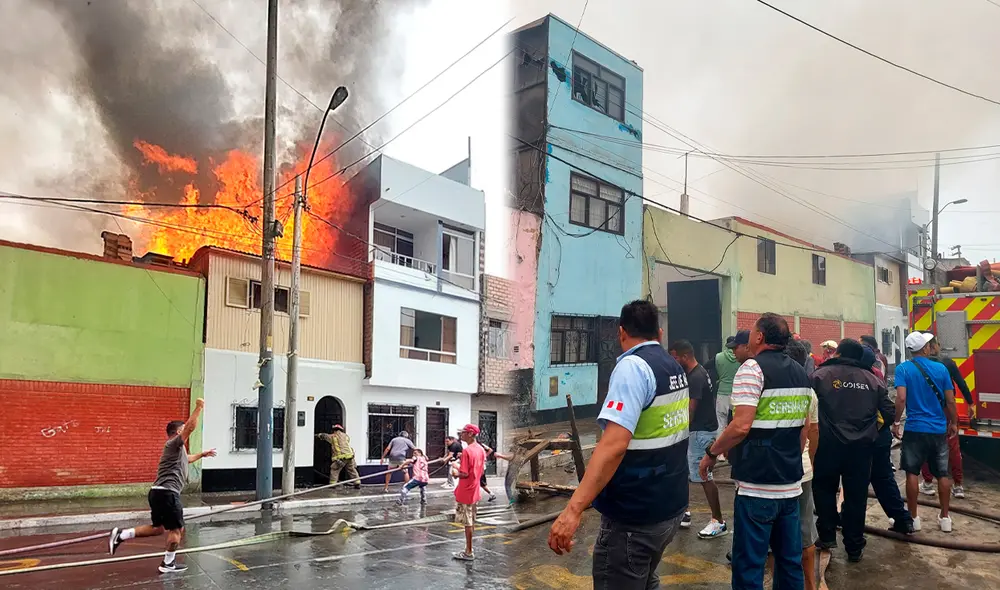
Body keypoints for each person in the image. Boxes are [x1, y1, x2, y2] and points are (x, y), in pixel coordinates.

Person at [549, 300, 689, 589]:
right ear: (659, 333)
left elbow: (614, 446)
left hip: (635, 516)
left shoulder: (632, 369)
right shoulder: (673, 366)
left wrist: (573, 510)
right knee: (645, 578)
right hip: (668, 507)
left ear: (622, 332)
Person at [699, 313, 810, 590]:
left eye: (751, 330)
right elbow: (804, 429)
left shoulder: (752, 368)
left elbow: (740, 426)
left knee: (749, 566)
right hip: (790, 486)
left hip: (757, 487)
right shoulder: (800, 372)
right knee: (789, 563)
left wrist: (711, 453)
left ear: (759, 337)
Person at [109, 399, 216, 573]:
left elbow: (187, 459)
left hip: (159, 492)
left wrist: (202, 454)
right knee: (177, 529)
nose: (185, 432)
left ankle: (121, 535)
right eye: (183, 430)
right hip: (168, 493)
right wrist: (199, 407)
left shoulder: (177, 450)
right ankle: (168, 564)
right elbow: (190, 427)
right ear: (178, 431)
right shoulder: (174, 443)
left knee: (158, 528)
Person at [811, 339, 894, 563]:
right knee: (856, 496)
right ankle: (854, 546)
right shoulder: (873, 379)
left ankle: (827, 536)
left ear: (838, 353)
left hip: (826, 446)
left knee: (824, 490)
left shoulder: (819, 376)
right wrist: (871, 429)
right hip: (861, 449)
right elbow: (888, 412)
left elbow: (808, 409)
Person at [892, 332, 958, 533]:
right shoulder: (941, 368)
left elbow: (901, 398)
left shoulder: (903, 369)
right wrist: (954, 423)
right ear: (926, 348)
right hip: (938, 429)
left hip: (914, 428)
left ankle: (914, 518)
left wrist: (896, 422)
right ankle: (945, 518)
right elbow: (950, 400)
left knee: (912, 472)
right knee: (943, 473)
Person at [669, 339, 726, 539]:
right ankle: (684, 513)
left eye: (676, 358)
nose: (674, 362)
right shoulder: (698, 371)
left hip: (701, 433)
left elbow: (690, 411)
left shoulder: (695, 377)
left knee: (704, 475)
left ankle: (718, 521)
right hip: (698, 432)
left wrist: (676, 431)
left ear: (685, 356)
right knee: (684, 472)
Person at [860, 343, 914, 534]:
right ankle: (903, 519)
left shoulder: (854, 378)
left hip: (861, 438)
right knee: (884, 479)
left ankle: (852, 525)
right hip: (880, 436)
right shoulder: (876, 376)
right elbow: (888, 409)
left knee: (856, 482)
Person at [784, 338, 821, 590]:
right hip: (803, 471)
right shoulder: (809, 391)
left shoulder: (767, 388)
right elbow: (813, 432)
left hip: (775, 474)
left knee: (775, 536)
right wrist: (811, 461)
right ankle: (810, 585)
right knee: (806, 533)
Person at [921, 338, 972, 499]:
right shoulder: (947, 363)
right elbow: (961, 383)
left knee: (926, 447)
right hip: (946, 410)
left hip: (926, 410)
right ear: (933, 346)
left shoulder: (916, 365)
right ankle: (958, 485)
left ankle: (928, 483)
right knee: (953, 447)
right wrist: (970, 403)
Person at [453, 424, 486, 561]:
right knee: (471, 520)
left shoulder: (467, 451)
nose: (461, 434)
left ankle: (468, 551)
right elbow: (480, 470)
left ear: (470, 434)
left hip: (466, 491)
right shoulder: (481, 449)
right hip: (475, 490)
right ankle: (469, 549)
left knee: (467, 523)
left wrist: (455, 472)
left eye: (463, 432)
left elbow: (464, 473)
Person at [714, 331, 750, 446]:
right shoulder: (742, 360)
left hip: (722, 393)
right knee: (736, 423)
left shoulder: (718, 357)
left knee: (721, 423)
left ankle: (719, 450)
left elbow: (714, 371)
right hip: (736, 393)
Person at [316, 424, 361, 489]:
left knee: (334, 469)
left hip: (341, 458)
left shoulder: (333, 436)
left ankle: (332, 484)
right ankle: (357, 483)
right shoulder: (346, 436)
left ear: (334, 430)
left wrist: (318, 435)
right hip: (350, 456)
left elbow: (325, 436)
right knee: (352, 470)